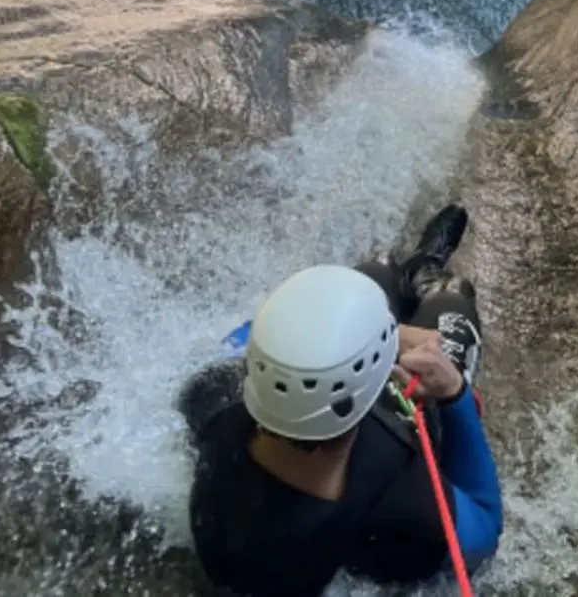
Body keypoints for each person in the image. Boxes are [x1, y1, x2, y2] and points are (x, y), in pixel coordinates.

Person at [178, 204, 502, 597]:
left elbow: (253, 338)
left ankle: (400, 273)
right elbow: (486, 522)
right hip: (403, 418)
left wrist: (366, 334)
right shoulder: (410, 512)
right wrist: (455, 396)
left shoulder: (212, 400)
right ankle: (427, 272)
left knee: (375, 273)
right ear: (381, 376)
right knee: (451, 298)